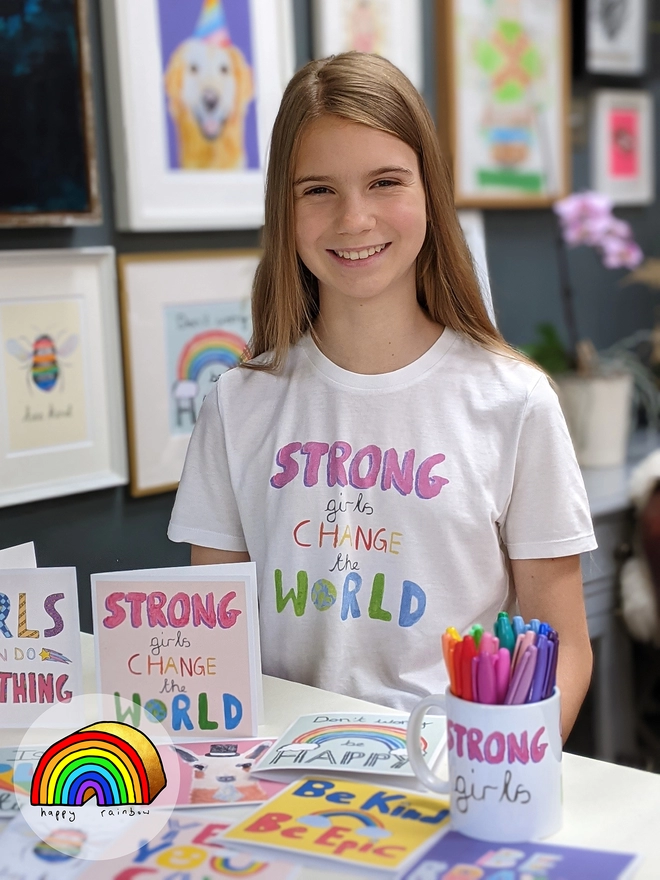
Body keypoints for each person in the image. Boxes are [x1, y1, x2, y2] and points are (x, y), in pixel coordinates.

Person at [168, 52, 596, 740]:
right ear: (285, 207)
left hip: (453, 776)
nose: (355, 218)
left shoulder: (514, 402)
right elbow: (207, 639)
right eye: (318, 190)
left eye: (384, 181)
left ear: (431, 189)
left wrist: (508, 771)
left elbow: (565, 647)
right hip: (280, 780)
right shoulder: (235, 404)